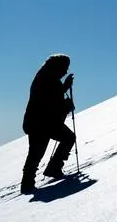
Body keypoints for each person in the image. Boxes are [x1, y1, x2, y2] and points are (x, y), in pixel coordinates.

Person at [21, 54, 76, 195]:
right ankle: (44, 174)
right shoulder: (46, 79)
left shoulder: (46, 77)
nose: (65, 71)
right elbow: (50, 101)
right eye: (65, 68)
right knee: (37, 152)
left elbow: (52, 99)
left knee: (36, 153)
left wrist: (64, 90)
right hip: (41, 123)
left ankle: (32, 181)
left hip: (40, 122)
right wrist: (65, 97)